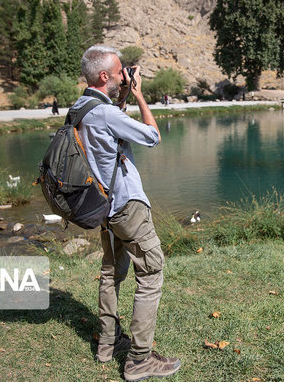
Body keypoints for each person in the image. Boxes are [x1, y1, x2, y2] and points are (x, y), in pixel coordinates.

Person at [72, 45, 180, 381]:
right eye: (120, 72)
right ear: (105, 76)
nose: (124, 76)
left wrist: (124, 94)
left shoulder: (80, 108)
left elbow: (108, 129)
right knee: (151, 274)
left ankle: (107, 343)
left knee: (111, 272)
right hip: (127, 208)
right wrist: (141, 97)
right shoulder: (105, 113)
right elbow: (152, 136)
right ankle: (139, 359)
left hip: (103, 207)